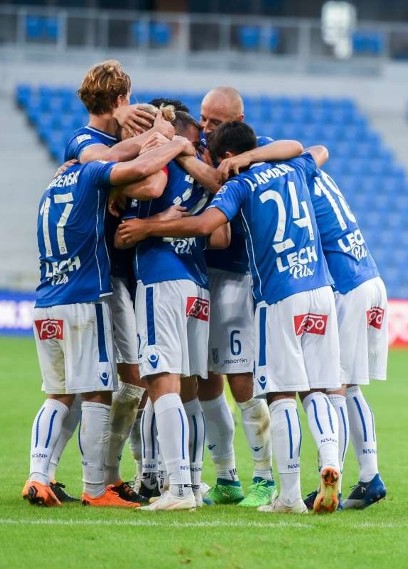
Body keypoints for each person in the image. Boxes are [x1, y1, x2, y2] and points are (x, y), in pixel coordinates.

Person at [118, 122, 341, 514]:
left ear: (224, 156)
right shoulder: (292, 166)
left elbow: (208, 227)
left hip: (278, 293)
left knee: (281, 392)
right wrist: (249, 155)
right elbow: (316, 148)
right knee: (320, 387)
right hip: (321, 288)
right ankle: (330, 461)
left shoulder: (241, 185)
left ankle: (285, 494)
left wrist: (149, 226)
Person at [24, 135, 192, 508]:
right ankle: (100, 487)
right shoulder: (93, 176)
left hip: (48, 297)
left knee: (60, 394)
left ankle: (39, 475)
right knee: (101, 391)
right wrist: (173, 142)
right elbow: (147, 176)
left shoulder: (54, 184)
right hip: (88, 296)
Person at [47, 60, 176, 505]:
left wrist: (141, 138)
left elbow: (145, 183)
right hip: (100, 277)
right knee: (99, 384)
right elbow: (145, 183)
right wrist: (156, 139)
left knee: (121, 381)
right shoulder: (85, 141)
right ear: (120, 99)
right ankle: (78, 476)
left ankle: (107, 473)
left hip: (127, 271)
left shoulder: (124, 133)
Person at [116, 110, 224, 511]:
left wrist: (146, 223)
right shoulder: (204, 176)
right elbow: (221, 235)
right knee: (190, 391)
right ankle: (193, 483)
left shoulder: (157, 172)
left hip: (161, 280)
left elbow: (126, 235)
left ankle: (174, 488)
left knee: (161, 384)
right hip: (197, 285)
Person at [300, 168, 388, 510]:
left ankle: (330, 485)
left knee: (331, 385)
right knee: (349, 386)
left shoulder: (294, 183)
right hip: (371, 279)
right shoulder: (319, 177)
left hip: (346, 287)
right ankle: (370, 477)